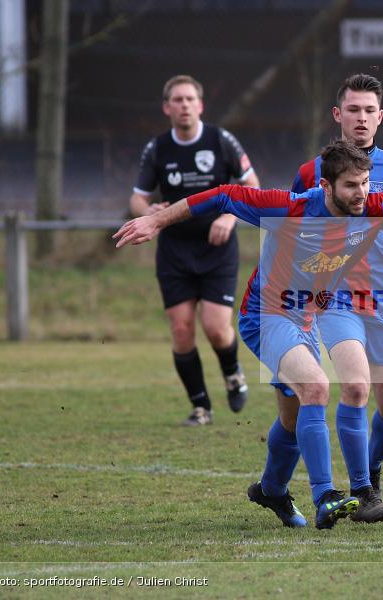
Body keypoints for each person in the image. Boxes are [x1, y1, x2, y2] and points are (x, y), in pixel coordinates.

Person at [114, 140, 383, 530]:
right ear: (325, 185)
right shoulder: (290, 208)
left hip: (306, 318)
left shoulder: (375, 207)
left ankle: (271, 490)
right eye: (351, 185)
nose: (361, 193)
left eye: (365, 183)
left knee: (292, 417)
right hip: (267, 315)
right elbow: (224, 195)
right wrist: (156, 219)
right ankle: (327, 496)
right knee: (316, 387)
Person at [273, 73, 383, 523]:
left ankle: (368, 468)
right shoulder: (312, 172)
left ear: (380, 117)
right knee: (356, 387)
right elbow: (290, 228)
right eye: (353, 110)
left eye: (369, 111)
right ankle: (362, 490)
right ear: (337, 114)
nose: (361, 118)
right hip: (334, 300)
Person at [129, 75, 259, 426]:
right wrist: (149, 212)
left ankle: (232, 373)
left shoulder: (221, 141)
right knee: (182, 328)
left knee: (216, 328)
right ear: (166, 107)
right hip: (175, 251)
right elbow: (137, 197)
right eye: (177, 99)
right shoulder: (157, 149)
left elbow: (251, 186)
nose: (184, 105)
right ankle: (201, 406)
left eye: (190, 99)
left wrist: (229, 218)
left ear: (200, 105)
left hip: (217, 248)